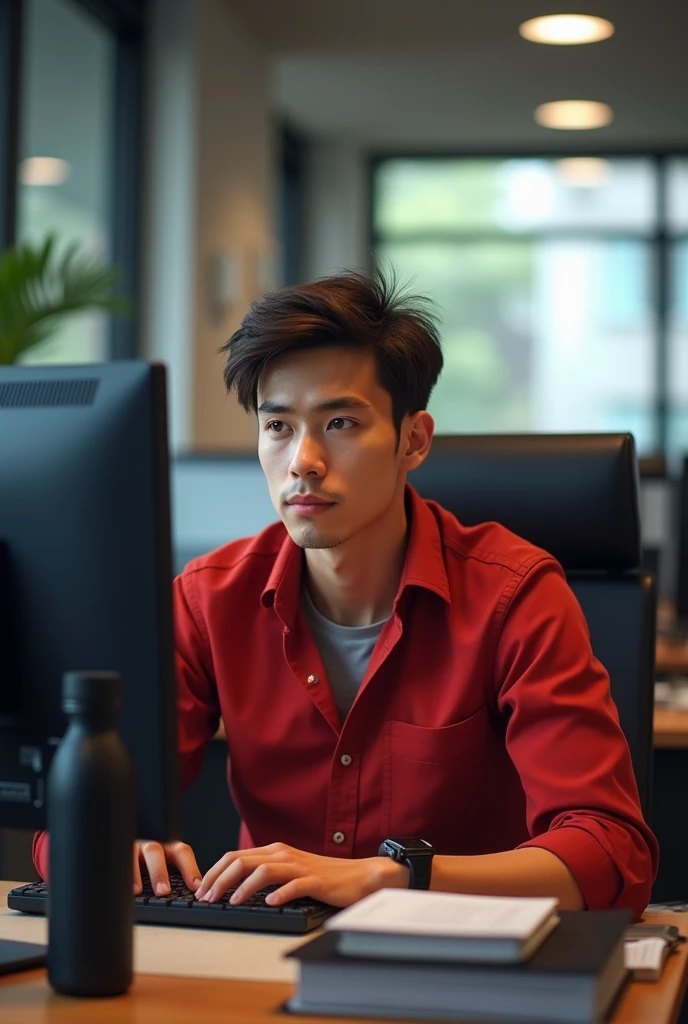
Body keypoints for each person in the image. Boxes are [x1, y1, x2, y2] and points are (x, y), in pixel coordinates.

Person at [33, 269, 657, 916]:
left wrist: (389, 878)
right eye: (278, 426)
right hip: (270, 960)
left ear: (413, 440)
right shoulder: (208, 599)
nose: (303, 459)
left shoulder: (515, 596)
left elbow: (609, 853)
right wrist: (110, 844)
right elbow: (76, 816)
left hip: (464, 957)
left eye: (339, 423)